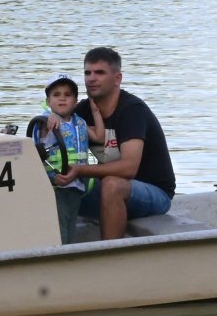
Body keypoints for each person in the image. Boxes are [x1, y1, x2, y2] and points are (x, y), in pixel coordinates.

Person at [71, 47, 176, 240]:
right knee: (52, 182)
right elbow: (55, 135)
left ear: (117, 78)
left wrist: (80, 170)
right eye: (87, 72)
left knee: (112, 185)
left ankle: (110, 257)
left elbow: (129, 168)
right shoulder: (83, 111)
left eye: (100, 73)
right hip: (110, 188)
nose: (91, 78)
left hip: (154, 193)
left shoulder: (132, 111)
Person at [28, 75, 103, 244]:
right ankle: (60, 255)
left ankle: (68, 252)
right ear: (48, 101)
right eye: (56, 94)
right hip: (56, 185)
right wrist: (50, 116)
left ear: (75, 101)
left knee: (71, 224)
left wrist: (96, 112)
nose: (62, 98)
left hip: (76, 185)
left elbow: (99, 136)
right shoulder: (46, 122)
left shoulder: (80, 123)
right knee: (59, 226)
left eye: (68, 95)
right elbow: (41, 129)